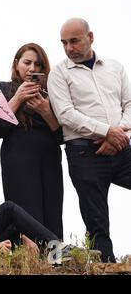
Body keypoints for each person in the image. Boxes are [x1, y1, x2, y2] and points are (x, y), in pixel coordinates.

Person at [47, 18, 131, 263]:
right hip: (83, 153)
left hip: (122, 146)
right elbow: (65, 114)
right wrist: (107, 131)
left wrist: (118, 135)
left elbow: (128, 104)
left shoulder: (115, 67)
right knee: (96, 219)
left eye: (74, 41)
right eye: (64, 43)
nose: (68, 48)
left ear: (90, 37)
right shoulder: (59, 74)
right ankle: (106, 265)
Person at [0, 43, 64, 239]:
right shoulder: (1, 89)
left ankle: (55, 261)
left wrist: (45, 110)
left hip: (50, 160)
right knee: (26, 213)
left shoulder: (53, 95)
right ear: (16, 64)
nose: (32, 69)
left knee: (53, 213)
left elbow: (64, 136)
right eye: (27, 62)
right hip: (18, 160)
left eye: (38, 65)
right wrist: (17, 98)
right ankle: (28, 261)